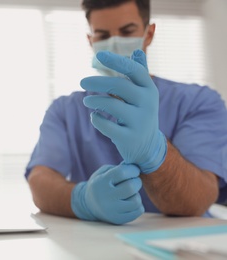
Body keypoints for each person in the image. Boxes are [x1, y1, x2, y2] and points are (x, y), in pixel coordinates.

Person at [25, 0, 227, 225]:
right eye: (102, 35)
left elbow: (200, 199)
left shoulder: (198, 102)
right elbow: (40, 181)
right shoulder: (64, 110)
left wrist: (155, 153)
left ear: (148, 34)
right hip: (93, 244)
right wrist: (83, 200)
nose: (114, 43)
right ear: (90, 41)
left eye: (127, 32)